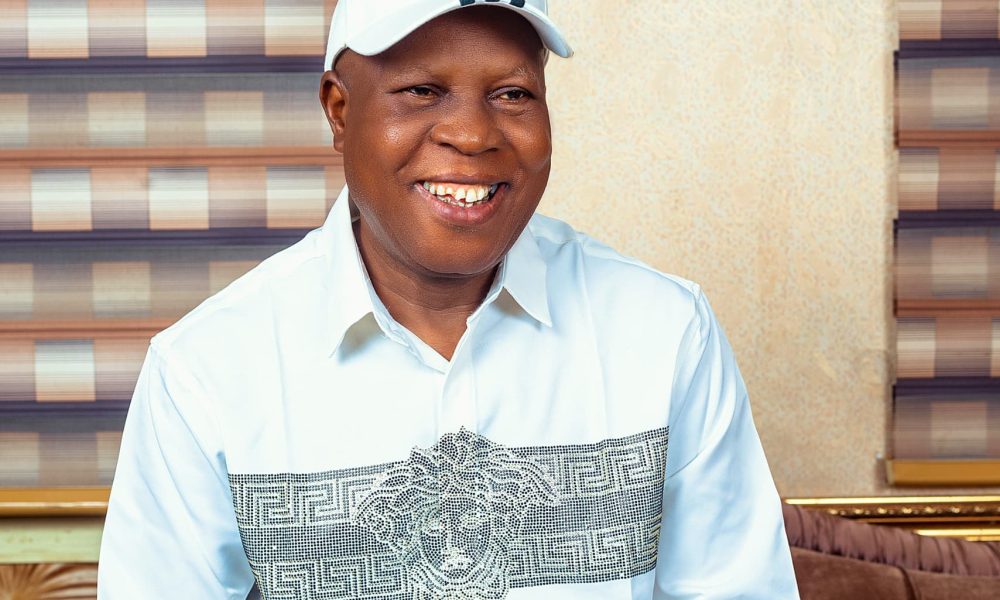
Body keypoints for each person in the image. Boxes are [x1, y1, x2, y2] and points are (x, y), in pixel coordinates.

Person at [98, 1, 799, 598]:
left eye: (512, 94)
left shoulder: (665, 333)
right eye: (422, 90)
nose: (471, 133)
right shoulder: (207, 371)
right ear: (339, 110)